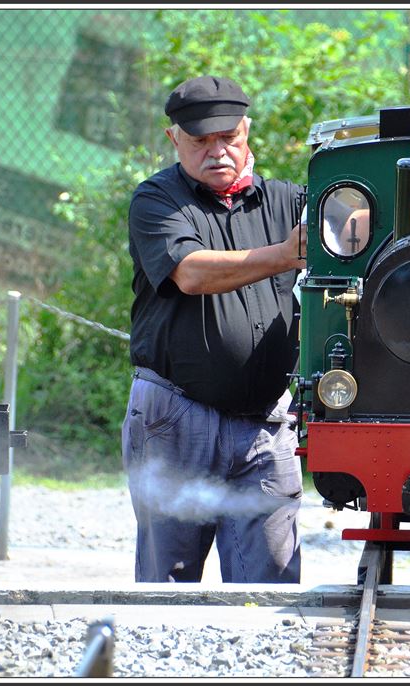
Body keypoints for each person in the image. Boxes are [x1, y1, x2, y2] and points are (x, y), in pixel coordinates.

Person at [122, 75, 306, 584]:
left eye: (227, 137)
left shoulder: (291, 202)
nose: (216, 151)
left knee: (270, 585)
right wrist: (285, 254)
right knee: (168, 587)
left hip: (265, 424)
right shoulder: (156, 200)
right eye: (200, 140)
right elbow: (191, 272)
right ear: (173, 139)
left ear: (247, 131)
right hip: (176, 417)